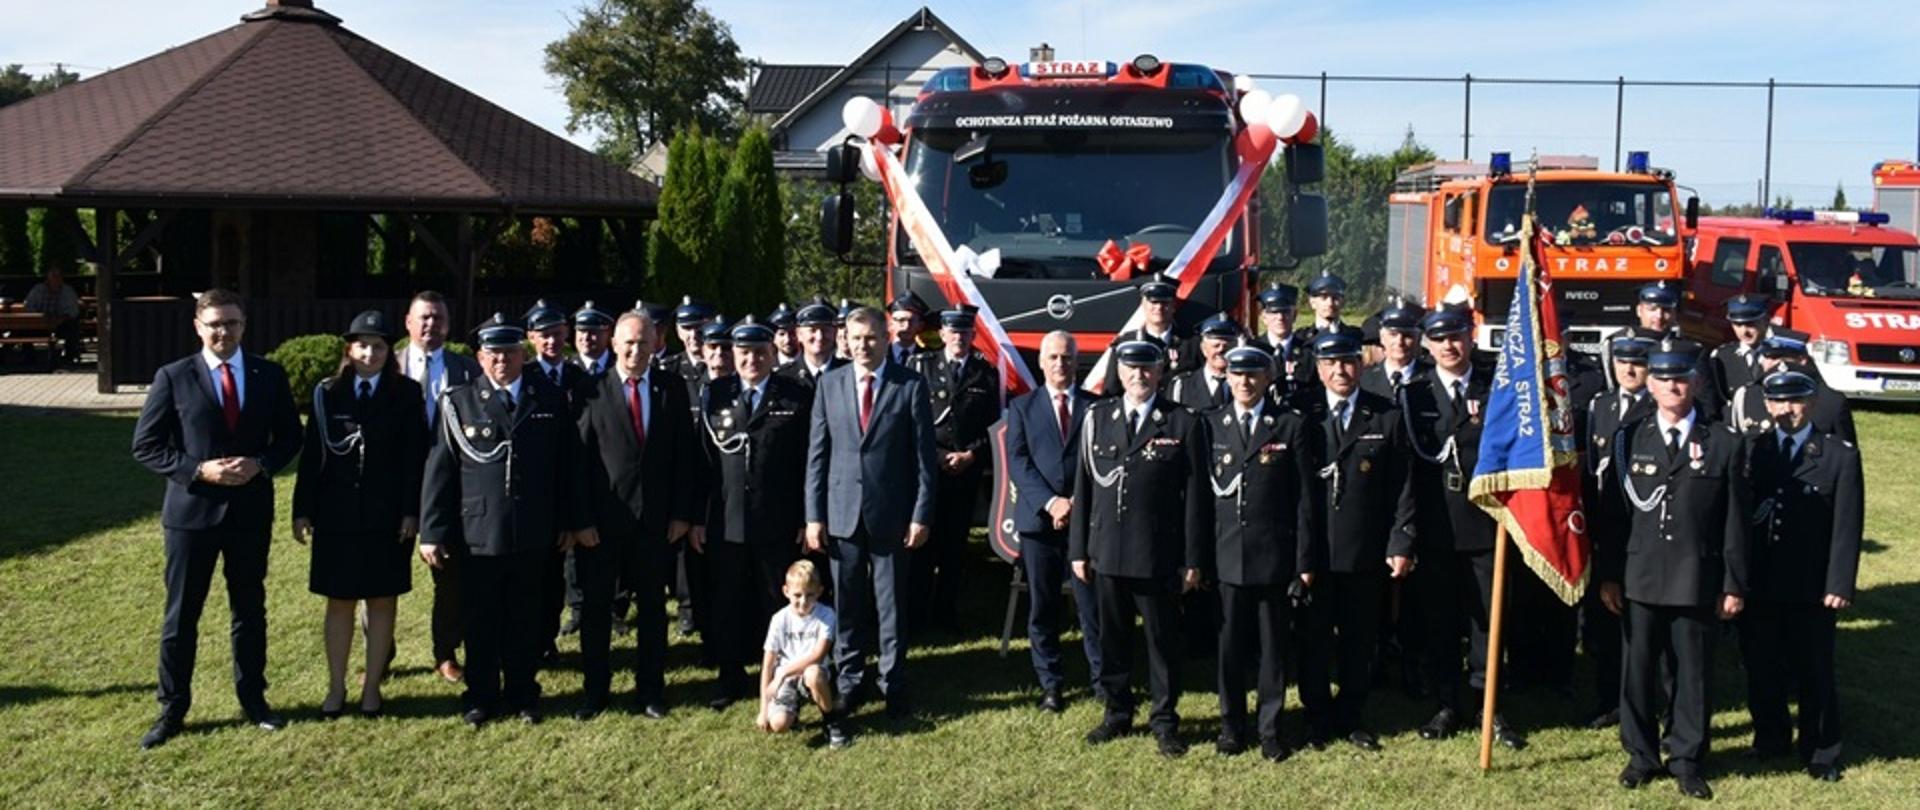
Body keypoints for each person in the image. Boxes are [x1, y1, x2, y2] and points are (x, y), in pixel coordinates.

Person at [130, 288, 302, 749]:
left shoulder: (268, 374)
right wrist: (196, 469)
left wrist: (262, 463)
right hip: (191, 516)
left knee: (249, 609)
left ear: (244, 325)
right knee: (181, 615)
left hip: (249, 513)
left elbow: (290, 437)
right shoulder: (173, 376)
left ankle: (254, 699)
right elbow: (146, 445)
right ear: (198, 327)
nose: (224, 332)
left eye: (232, 323)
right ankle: (172, 709)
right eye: (215, 324)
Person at [419, 313, 593, 726]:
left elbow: (568, 466)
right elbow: (440, 470)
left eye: (510, 352)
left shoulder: (548, 398)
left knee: (525, 617)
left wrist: (571, 520)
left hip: (534, 529)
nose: (502, 360)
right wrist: (432, 530)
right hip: (478, 531)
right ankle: (480, 695)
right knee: (480, 618)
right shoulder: (458, 402)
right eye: (494, 353)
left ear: (523, 354)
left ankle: (523, 693)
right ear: (480, 357)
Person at [1597, 338, 1751, 801]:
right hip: (1639, 576)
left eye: (1680, 378)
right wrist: (1608, 574)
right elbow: (1613, 515)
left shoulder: (1723, 443)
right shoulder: (1630, 439)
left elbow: (1735, 523)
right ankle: (1641, 755)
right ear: (1651, 383)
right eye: (1662, 378)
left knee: (1693, 675)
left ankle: (1687, 758)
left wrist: (1733, 583)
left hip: (1696, 578)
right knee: (1638, 672)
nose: (1671, 386)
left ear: (1696, 383)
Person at [1070, 337, 1209, 759]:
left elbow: (1196, 497)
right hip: (1107, 551)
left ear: (1160, 371)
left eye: (1147, 367)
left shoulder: (1182, 423)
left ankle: (1165, 721)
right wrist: (1079, 550)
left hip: (1158, 554)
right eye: (1130, 368)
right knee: (1113, 639)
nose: (1138, 375)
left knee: (1162, 643)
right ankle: (1117, 711)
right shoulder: (1099, 417)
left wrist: (1192, 559)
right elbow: (1084, 487)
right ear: (1120, 372)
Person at [290, 310, 427, 719]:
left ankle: (371, 689)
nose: (370, 352)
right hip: (336, 517)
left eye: (380, 345)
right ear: (349, 349)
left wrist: (410, 511)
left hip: (387, 519)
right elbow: (313, 455)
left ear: (390, 351)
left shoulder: (406, 394)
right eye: (362, 344)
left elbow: (414, 458)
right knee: (339, 602)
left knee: (382, 602)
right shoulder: (327, 393)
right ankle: (336, 688)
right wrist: (302, 510)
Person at [804, 305, 939, 720]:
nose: (863, 345)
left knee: (890, 605)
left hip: (892, 515)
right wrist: (814, 515)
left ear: (885, 339)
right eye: (856, 338)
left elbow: (923, 460)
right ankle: (849, 681)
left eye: (872, 338)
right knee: (848, 604)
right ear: (845, 339)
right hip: (842, 513)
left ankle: (893, 683)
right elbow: (818, 455)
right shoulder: (830, 384)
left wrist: (921, 515)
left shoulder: (910, 385)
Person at [1403, 306, 1526, 750]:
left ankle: (1489, 706)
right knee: (1440, 620)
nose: (1449, 346)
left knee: (1489, 623)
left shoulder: (1497, 388)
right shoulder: (1414, 395)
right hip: (1438, 527)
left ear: (1470, 338)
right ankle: (1446, 703)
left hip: (1487, 523)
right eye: (1440, 339)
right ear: (1427, 345)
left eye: (1457, 336)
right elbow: (1412, 470)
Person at [573, 309, 704, 720]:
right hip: (602, 525)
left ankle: (651, 690)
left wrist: (683, 514)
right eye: (628, 342)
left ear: (655, 345)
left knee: (652, 611)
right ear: (614, 343)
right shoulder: (590, 391)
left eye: (643, 342)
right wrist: (582, 520)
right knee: (596, 612)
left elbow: (687, 456)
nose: (635, 350)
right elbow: (578, 462)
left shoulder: (672, 388)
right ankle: (595, 691)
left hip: (655, 524)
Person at [1738, 370, 1861, 783]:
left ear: (1810, 403)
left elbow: (1846, 526)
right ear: (1767, 405)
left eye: (1794, 401)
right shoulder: (1754, 451)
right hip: (1762, 580)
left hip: (1812, 584)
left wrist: (1839, 584)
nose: (1786, 409)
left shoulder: (1837, 455)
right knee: (1762, 665)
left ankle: (1821, 749)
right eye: (1777, 402)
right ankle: (1770, 738)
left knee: (1814, 670)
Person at [1296, 331, 1416, 752]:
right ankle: (1315, 718)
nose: (1340, 370)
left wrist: (1400, 542)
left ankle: (1350, 715)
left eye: (1347, 362)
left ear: (1361, 365)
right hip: (1313, 552)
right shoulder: (1302, 415)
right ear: (1318, 368)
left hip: (1364, 549)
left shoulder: (1385, 415)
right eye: (1330, 363)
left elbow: (1403, 486)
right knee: (1312, 640)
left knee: (1359, 639)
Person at [1200, 343, 1321, 761]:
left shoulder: (1289, 426)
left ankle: (1271, 729)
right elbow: (1200, 500)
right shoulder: (1211, 425)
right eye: (1237, 374)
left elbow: (1305, 500)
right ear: (1227, 377)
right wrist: (1198, 559)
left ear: (1267, 378)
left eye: (1253, 374)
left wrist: (1304, 562)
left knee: (1273, 652)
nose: (1245, 382)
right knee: (1229, 649)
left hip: (1275, 558)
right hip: (1226, 557)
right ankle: (1231, 727)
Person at [697, 318, 813, 709]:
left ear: (771, 353)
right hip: (726, 520)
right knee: (726, 602)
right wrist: (698, 516)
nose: (752, 360)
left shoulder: (795, 395)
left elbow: (806, 463)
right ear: (734, 354)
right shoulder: (713, 394)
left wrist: (804, 517)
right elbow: (701, 461)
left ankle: (784, 679)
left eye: (760, 352)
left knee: (775, 603)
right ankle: (730, 678)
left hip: (776, 520)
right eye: (744, 353)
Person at [1005, 330, 1101, 713]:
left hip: (1084, 522)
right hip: (1039, 523)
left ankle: (1101, 680)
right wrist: (1051, 503)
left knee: (1091, 606)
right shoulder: (1022, 408)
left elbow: (1100, 460)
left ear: (1076, 362)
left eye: (1067, 357)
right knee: (1043, 607)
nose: (1060, 364)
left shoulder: (1096, 407)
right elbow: (1018, 462)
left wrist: (1077, 503)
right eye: (1054, 357)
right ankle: (1051, 684)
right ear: (1041, 363)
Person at [1576, 330, 1658, 730]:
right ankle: (1608, 698)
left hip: (1645, 526)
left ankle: (1645, 701)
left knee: (1641, 624)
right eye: (1622, 361)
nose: (1629, 369)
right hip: (1605, 523)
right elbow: (1593, 467)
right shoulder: (1601, 406)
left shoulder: (1659, 408)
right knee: (1605, 622)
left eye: (1638, 362)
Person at [400, 291, 482, 685]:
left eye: (438, 318)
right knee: (380, 576)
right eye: (424, 318)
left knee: (451, 577)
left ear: (448, 325)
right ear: (408, 323)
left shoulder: (467, 369)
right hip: (394, 487)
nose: (431, 325)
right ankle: (380, 652)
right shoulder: (386, 365)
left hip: (451, 488)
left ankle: (446, 652)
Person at [905, 305, 1000, 635]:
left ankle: (946, 614)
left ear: (974, 335)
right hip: (928, 471)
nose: (959, 337)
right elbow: (909, 423)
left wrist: (971, 456)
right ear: (941, 334)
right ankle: (915, 615)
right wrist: (938, 455)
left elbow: (993, 427)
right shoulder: (920, 366)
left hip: (965, 472)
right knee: (921, 546)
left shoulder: (986, 373)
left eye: (965, 332)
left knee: (954, 547)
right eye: (953, 331)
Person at [525, 300, 591, 665]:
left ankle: (555, 631)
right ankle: (536, 638)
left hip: (575, 479)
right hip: (540, 486)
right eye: (543, 335)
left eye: (556, 333)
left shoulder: (581, 378)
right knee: (538, 572)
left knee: (562, 573)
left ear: (567, 334)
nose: (551, 341)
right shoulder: (527, 377)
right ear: (532, 338)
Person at [757, 560, 849, 749]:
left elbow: (817, 655)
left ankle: (831, 721)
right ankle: (792, 711)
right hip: (787, 680)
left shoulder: (826, 615)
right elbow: (767, 665)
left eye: (810, 595)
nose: (803, 601)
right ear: (786, 591)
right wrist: (763, 709)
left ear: (820, 592)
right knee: (778, 725)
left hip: (813, 674)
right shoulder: (779, 619)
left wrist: (782, 673)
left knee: (813, 674)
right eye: (797, 595)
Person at [1726, 329, 1857, 444]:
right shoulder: (1747, 395)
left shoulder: (1830, 401)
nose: (1770, 363)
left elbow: (1843, 457)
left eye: (1778, 357)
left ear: (1801, 360)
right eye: (1766, 356)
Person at [1096, 273, 1193, 394]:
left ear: (1173, 305)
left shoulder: (1191, 344)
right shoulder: (1125, 343)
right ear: (1143, 304)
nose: (1159, 307)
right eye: (1153, 302)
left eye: (1165, 303)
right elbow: (1111, 390)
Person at [1359, 297, 1428, 400]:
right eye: (1393, 335)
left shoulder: (1434, 379)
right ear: (1382, 338)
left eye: (1407, 336)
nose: (1400, 342)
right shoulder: (1363, 381)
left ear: (1418, 338)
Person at [1167, 314, 1239, 411]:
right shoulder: (1181, 387)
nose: (1221, 350)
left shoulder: (1246, 386)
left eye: (1227, 347)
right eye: (1216, 346)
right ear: (1203, 349)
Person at [1705, 293, 1770, 402]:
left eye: (1750, 324)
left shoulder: (1779, 356)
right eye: (1738, 325)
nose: (1744, 332)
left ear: (1766, 321)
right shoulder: (1722, 357)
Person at [1250, 283, 1310, 397]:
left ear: (1295, 315)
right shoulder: (1254, 350)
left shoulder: (1308, 351)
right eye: (1273, 312)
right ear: (1263, 317)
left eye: (1285, 312)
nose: (1280, 318)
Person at [776, 297, 847, 390]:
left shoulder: (849, 373)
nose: (819, 336)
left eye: (825, 330)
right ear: (799, 334)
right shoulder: (783, 379)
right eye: (812, 330)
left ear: (835, 332)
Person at [22, 265, 82, 362]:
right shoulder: (38, 290)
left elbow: (73, 311)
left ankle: (70, 355)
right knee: (23, 328)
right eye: (53, 276)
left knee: (73, 326)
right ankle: (28, 356)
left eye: (58, 276)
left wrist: (61, 318)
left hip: (61, 324)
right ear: (47, 277)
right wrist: (39, 318)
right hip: (40, 323)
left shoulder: (68, 291)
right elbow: (28, 307)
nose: (56, 279)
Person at [885, 291, 932, 365]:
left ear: (920, 325)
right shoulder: (879, 355)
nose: (907, 326)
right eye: (901, 320)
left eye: (911, 321)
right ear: (891, 324)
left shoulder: (929, 359)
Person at [573, 300, 615, 377]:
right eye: (581, 331)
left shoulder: (620, 366)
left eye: (592, 332)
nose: (586, 337)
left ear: (608, 333)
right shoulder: (565, 370)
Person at [768, 302, 800, 366]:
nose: (787, 339)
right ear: (774, 338)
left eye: (792, 333)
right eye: (781, 334)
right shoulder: (767, 366)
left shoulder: (811, 361)